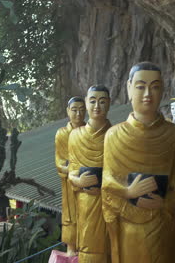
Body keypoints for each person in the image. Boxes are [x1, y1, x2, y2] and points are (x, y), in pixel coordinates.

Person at [102, 62, 175, 263]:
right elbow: (107, 182)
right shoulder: (113, 135)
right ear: (129, 88)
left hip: (162, 225)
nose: (148, 93)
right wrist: (127, 192)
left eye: (155, 86)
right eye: (141, 86)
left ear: (162, 91)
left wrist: (166, 203)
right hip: (128, 228)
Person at [68, 85, 111, 262]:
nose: (97, 106)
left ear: (109, 104)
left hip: (109, 201)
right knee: (87, 249)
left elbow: (122, 173)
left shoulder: (116, 134)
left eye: (102, 102)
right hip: (85, 202)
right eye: (92, 101)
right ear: (86, 103)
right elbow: (71, 173)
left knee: (109, 250)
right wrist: (79, 181)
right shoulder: (75, 136)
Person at [54, 97, 86, 256]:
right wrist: (74, 168)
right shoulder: (62, 134)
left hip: (89, 183)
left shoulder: (90, 131)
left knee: (88, 215)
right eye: (74, 110)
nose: (78, 113)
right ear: (68, 111)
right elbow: (59, 163)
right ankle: (71, 247)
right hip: (70, 185)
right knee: (71, 216)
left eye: (81, 109)